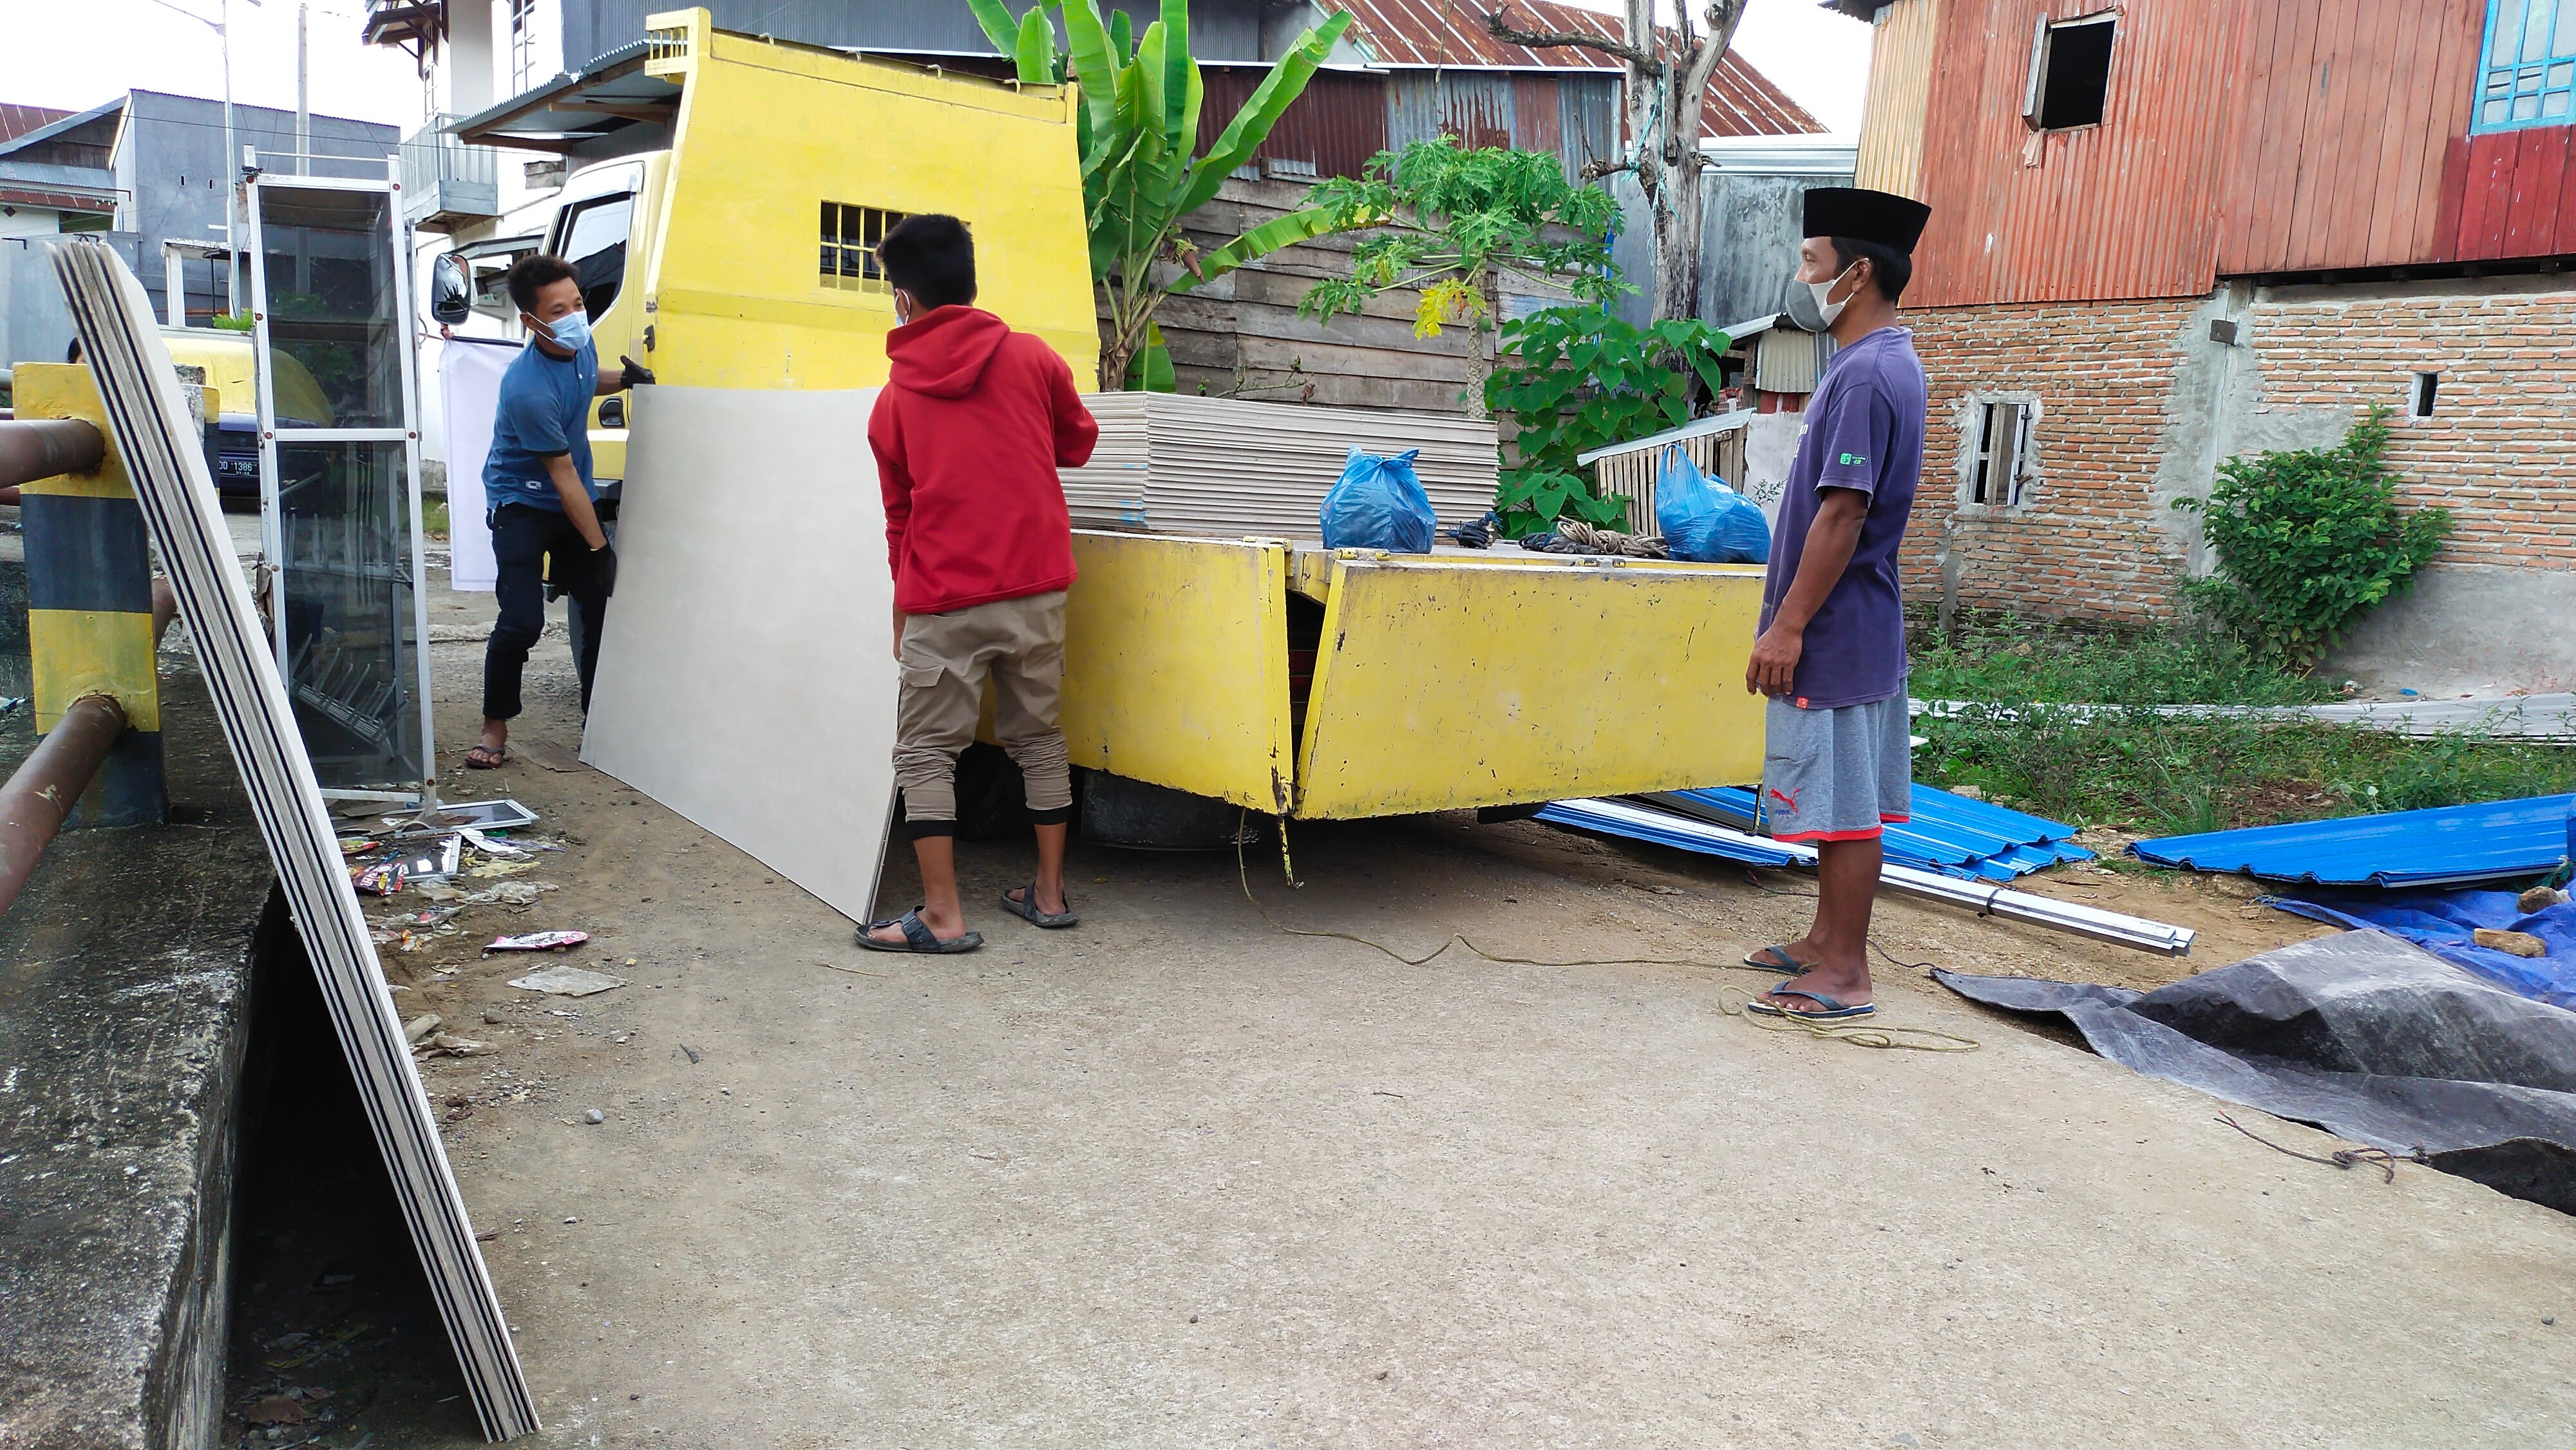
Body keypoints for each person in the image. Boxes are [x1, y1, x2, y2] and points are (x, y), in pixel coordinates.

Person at [860, 214, 1099, 954]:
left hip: (944, 596)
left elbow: (899, 515)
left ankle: (942, 914)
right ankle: (1049, 894)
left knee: (928, 753)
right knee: (1039, 740)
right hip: (1037, 585)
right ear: (971, 279)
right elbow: (1079, 443)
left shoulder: (893, 402)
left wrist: (903, 605)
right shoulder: (1032, 358)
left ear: (903, 298)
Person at [1739, 186, 1933, 1022]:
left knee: (1846, 802)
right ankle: (1824, 941)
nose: (1802, 276)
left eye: (1813, 263)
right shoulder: (1877, 363)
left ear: (1858, 273)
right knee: (1834, 795)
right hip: (1852, 620)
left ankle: (1846, 971)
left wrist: (1788, 623)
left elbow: (1843, 512)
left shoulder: (1867, 376)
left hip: (1836, 625)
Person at [464, 254, 651, 769]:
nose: (575, 316)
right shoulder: (526, 389)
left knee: (598, 611)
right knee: (522, 623)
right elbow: (564, 478)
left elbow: (587, 379)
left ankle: (601, 725)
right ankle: (495, 726)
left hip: (568, 496)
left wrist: (628, 380)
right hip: (522, 502)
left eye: (578, 303)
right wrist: (598, 547)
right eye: (559, 309)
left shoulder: (580, 345)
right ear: (532, 320)